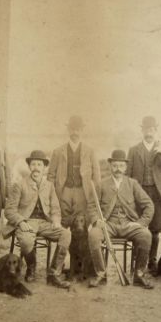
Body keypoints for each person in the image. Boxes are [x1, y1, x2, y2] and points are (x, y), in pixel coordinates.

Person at [87, 150, 155, 289]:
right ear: (110, 166)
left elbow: (149, 205)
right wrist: (96, 220)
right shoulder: (101, 184)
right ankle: (101, 273)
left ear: (125, 167)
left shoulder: (132, 184)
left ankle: (139, 274)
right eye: (115, 165)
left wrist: (141, 223)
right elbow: (92, 206)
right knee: (93, 235)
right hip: (108, 224)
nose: (118, 169)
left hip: (128, 224)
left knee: (146, 235)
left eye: (121, 166)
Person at [4, 150, 72, 289]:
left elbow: (55, 208)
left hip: (45, 223)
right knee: (27, 241)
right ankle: (31, 266)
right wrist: (21, 222)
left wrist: (56, 221)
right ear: (29, 166)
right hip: (26, 222)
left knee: (66, 234)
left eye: (39, 164)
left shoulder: (49, 185)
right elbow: (9, 210)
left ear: (44, 168)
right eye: (33, 164)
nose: (36, 167)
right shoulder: (19, 184)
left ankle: (54, 273)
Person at [47, 115, 101, 279]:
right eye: (72, 129)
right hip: (63, 193)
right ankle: (56, 267)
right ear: (68, 130)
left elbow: (97, 178)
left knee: (81, 228)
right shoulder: (58, 151)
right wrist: (52, 196)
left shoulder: (90, 151)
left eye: (78, 129)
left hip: (82, 193)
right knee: (62, 228)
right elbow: (50, 176)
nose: (75, 132)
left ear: (82, 130)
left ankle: (80, 267)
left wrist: (93, 197)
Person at [126, 116, 161, 274]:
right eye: (146, 129)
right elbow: (127, 174)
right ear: (142, 131)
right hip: (139, 193)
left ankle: (152, 260)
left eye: (152, 130)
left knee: (155, 229)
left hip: (157, 193)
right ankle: (136, 259)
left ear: (156, 131)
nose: (149, 133)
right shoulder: (134, 150)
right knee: (137, 226)